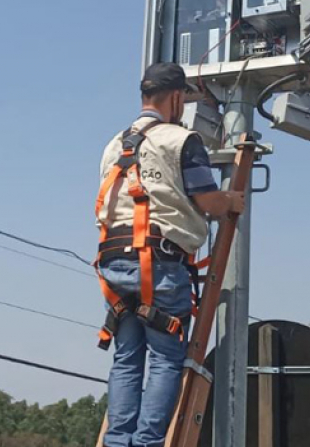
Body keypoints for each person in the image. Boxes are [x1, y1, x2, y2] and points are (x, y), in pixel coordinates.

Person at [95, 62, 245, 447]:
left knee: (127, 358)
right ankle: (146, 443)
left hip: (115, 264)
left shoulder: (114, 144)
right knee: (165, 357)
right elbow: (208, 201)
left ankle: (118, 443)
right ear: (177, 98)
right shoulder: (181, 140)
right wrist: (231, 199)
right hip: (159, 262)